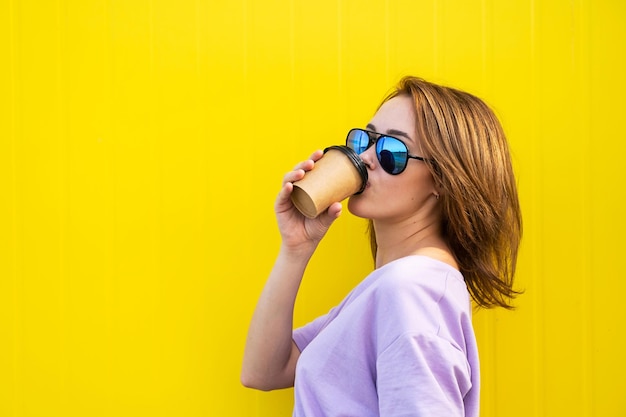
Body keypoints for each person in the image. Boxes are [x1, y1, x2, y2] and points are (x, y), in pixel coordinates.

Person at [241, 76, 522, 417]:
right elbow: (265, 371)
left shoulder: (410, 291)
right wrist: (295, 248)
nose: (367, 158)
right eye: (365, 140)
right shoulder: (391, 288)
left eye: (392, 151)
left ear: (444, 182)